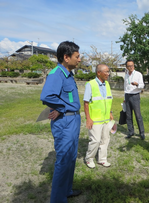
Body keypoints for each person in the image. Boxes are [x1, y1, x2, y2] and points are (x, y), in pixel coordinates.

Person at [40, 41, 82, 202]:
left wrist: (61, 106)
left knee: (71, 158)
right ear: (66, 57)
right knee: (64, 160)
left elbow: (62, 96)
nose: (79, 60)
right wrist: (62, 107)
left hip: (73, 119)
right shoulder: (56, 74)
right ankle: (58, 199)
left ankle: (67, 190)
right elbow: (47, 96)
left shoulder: (68, 74)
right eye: (77, 57)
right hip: (65, 122)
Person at [84, 64, 113, 169]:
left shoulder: (107, 84)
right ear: (99, 73)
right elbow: (86, 103)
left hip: (106, 119)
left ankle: (102, 159)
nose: (108, 74)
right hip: (95, 119)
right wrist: (88, 118)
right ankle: (89, 159)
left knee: (105, 140)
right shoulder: (90, 84)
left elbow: (108, 100)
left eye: (108, 71)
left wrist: (110, 113)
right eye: (106, 72)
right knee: (95, 140)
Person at [124, 59, 145, 140]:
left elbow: (142, 85)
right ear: (126, 67)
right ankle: (131, 132)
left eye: (132, 65)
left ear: (134, 66)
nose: (131, 67)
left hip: (135, 96)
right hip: (127, 95)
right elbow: (125, 87)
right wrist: (124, 97)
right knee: (128, 115)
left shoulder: (138, 74)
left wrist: (137, 84)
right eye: (129, 66)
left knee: (138, 115)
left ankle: (142, 133)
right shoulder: (126, 75)